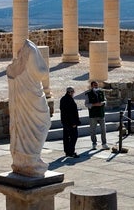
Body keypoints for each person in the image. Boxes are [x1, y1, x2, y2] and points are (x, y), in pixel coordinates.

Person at [6, 39, 51, 177]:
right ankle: (30, 159)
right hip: (33, 97)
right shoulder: (32, 52)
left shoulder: (15, 67)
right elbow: (42, 72)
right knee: (43, 123)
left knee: (35, 125)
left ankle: (26, 159)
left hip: (27, 99)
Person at [85, 80, 110, 150]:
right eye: (95, 85)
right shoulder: (88, 94)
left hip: (101, 114)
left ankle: (104, 143)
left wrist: (103, 103)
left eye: (97, 85)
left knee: (103, 130)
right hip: (93, 115)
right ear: (92, 86)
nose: (96, 86)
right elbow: (86, 104)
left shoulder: (101, 92)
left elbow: (105, 100)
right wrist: (94, 104)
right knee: (93, 130)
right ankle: (94, 143)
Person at [60, 86, 81, 158]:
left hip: (65, 122)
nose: (73, 93)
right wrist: (73, 123)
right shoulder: (69, 100)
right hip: (70, 123)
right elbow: (70, 113)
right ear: (69, 92)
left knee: (66, 137)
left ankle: (67, 151)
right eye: (72, 92)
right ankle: (71, 152)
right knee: (73, 137)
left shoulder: (63, 99)